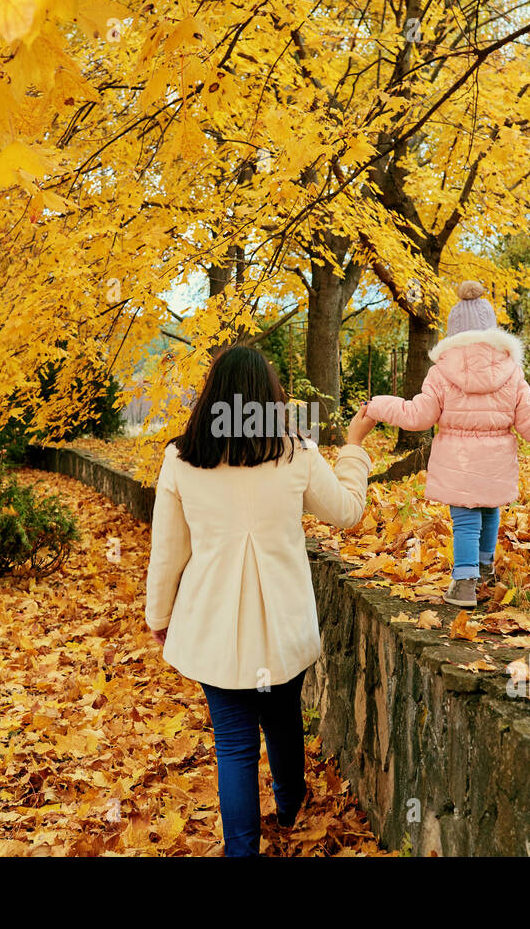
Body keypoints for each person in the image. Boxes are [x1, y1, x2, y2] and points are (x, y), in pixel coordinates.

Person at [145, 344, 377, 856]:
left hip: (212, 627)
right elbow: (347, 511)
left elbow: (168, 553)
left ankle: (242, 849)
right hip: (282, 623)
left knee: (233, 742)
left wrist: (159, 616)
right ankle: (291, 803)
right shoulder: (296, 453)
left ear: (210, 398)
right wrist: (355, 446)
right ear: (271, 399)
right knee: (282, 716)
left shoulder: (183, 459)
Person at [364, 280, 530, 609]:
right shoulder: (511, 371)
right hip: (496, 461)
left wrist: (377, 405)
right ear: (492, 332)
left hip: (458, 461)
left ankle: (464, 583)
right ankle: (485, 567)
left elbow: (418, 415)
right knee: (490, 509)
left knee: (465, 519)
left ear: (453, 334)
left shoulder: (441, 372)